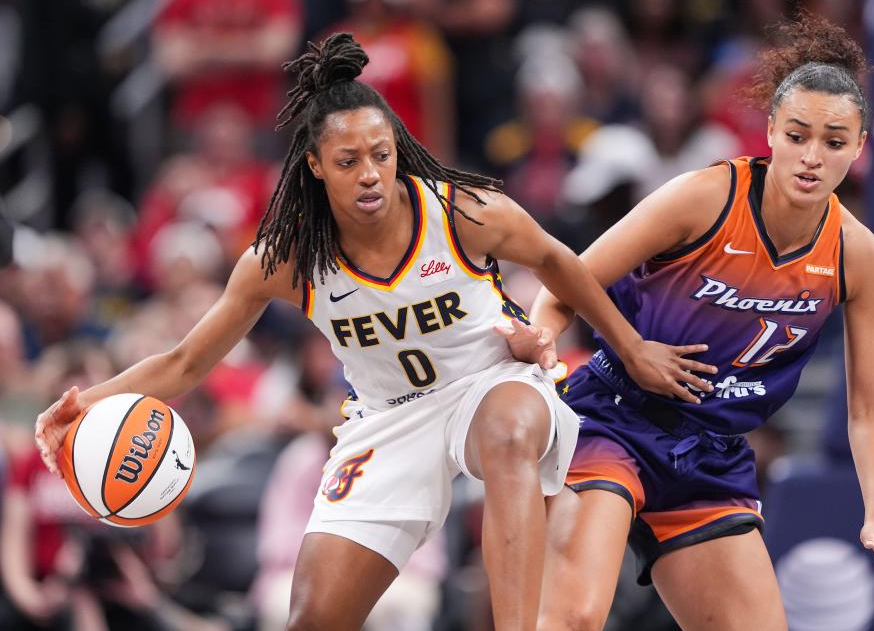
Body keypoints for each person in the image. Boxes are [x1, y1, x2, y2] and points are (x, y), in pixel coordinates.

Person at [34, 33, 714, 631]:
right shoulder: (285, 256)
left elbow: (559, 261)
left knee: (509, 430)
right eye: (350, 159)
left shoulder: (463, 212)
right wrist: (86, 402)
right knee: (312, 619)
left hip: (491, 384)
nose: (370, 173)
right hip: (387, 419)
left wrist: (630, 346)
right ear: (316, 166)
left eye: (382, 154)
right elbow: (184, 364)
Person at [500, 14, 874, 630]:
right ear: (770, 132)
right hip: (611, 420)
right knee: (572, 617)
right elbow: (567, 280)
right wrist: (545, 350)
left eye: (835, 142)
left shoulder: (860, 255)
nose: (812, 156)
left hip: (709, 454)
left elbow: (870, 408)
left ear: (861, 147)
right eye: (798, 135)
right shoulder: (704, 198)